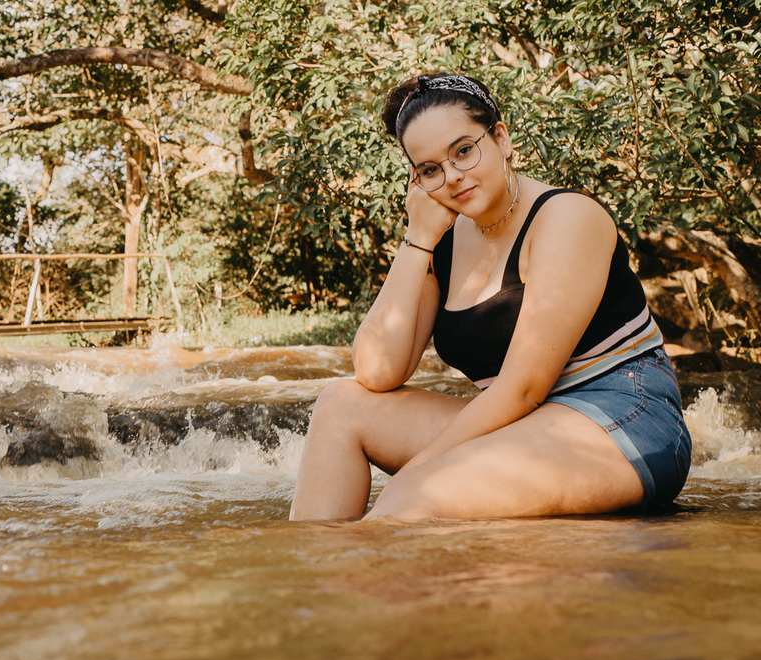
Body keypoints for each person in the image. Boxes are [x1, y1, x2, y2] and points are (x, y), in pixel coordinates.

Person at [289, 73, 691, 522]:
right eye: (430, 169)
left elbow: (524, 388)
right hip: (520, 425)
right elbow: (376, 371)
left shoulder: (567, 218)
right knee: (340, 407)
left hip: (622, 416)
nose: (453, 177)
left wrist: (415, 471)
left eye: (463, 151)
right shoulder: (443, 239)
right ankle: (318, 579)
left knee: (412, 497)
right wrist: (418, 237)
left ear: (501, 138)